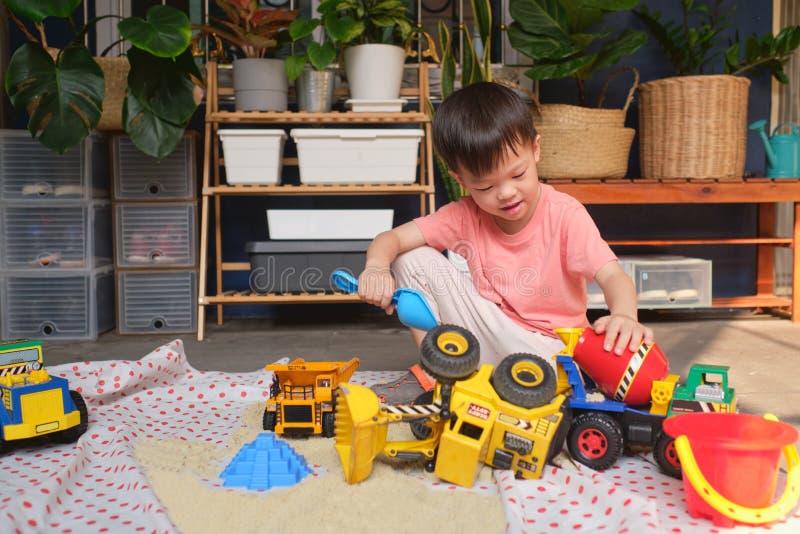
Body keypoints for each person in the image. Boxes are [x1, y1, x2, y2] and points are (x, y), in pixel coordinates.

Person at [356, 81, 653, 403]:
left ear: (535, 150)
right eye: (485, 187)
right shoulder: (463, 215)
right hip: (487, 336)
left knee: (598, 367)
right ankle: (439, 370)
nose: (506, 193)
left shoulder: (565, 214)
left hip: (552, 351)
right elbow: (391, 238)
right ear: (461, 180)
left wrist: (625, 316)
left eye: (518, 175)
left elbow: (613, 275)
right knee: (408, 259)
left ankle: (502, 385)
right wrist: (376, 268)